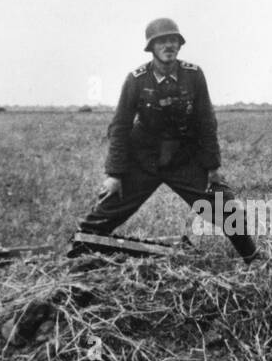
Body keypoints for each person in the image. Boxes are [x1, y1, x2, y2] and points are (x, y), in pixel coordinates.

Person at [71, 18, 257, 262]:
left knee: (227, 208)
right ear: (151, 47)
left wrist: (212, 168)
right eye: (162, 41)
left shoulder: (194, 75)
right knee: (101, 216)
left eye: (173, 40)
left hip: (183, 159)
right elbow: (120, 126)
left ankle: (254, 259)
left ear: (180, 45)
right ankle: (77, 256)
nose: (168, 45)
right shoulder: (136, 79)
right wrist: (115, 174)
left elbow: (206, 122)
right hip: (143, 160)